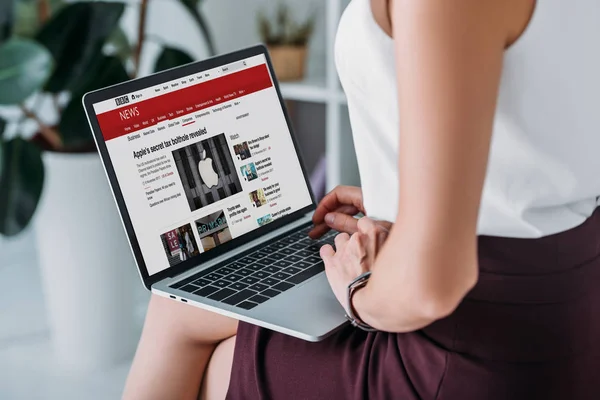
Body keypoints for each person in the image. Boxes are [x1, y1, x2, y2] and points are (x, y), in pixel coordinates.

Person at [123, 0, 600, 398]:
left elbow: (430, 288)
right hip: (571, 311)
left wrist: (359, 295)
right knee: (191, 309)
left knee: (187, 325)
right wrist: (412, 200)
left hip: (472, 350)